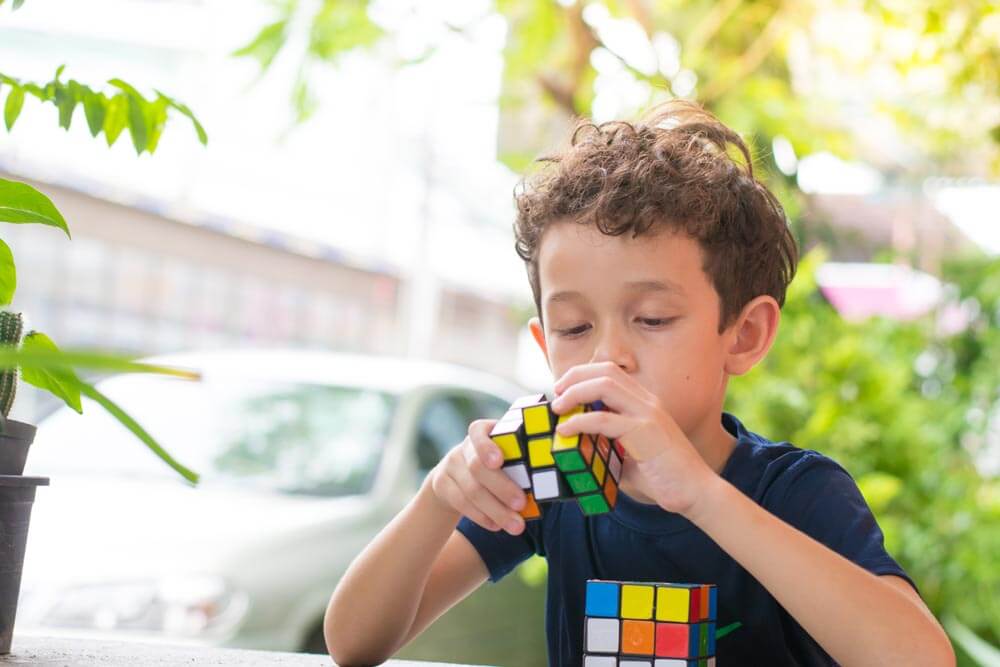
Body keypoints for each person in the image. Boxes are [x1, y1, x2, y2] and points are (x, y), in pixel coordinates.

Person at [324, 100, 955, 666]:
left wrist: (702, 496)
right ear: (544, 346)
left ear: (743, 335)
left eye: (652, 319)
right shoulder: (556, 490)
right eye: (573, 327)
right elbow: (355, 643)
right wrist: (439, 496)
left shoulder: (793, 493)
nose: (608, 357)